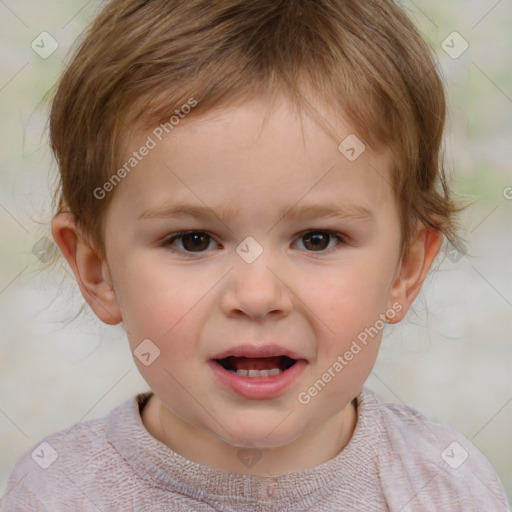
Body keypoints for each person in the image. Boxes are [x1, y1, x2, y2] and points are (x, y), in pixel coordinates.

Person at [1, 0, 509, 510]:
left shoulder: (447, 487)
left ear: (405, 268)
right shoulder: (57, 493)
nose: (257, 295)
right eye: (193, 240)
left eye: (317, 239)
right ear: (98, 271)